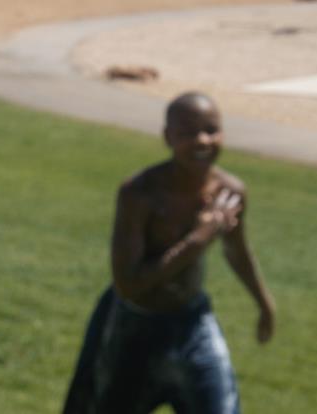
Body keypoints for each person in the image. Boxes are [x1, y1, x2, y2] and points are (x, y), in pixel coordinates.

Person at [62, 91, 275, 414]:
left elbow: (237, 251)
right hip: (135, 333)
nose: (202, 140)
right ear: (168, 137)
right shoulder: (140, 193)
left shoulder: (230, 192)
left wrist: (264, 304)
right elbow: (129, 285)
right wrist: (198, 239)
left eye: (211, 129)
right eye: (188, 132)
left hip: (193, 325)